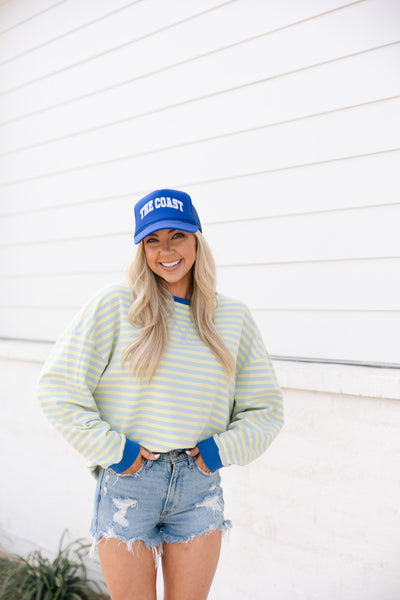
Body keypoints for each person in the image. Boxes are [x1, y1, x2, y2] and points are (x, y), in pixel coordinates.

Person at [37, 188, 284, 600]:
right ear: (141, 249)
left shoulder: (233, 317)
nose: (165, 251)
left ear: (197, 240)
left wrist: (220, 451)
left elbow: (266, 409)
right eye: (152, 240)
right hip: (129, 484)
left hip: (197, 486)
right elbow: (57, 389)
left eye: (177, 236)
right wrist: (117, 452)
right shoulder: (117, 306)